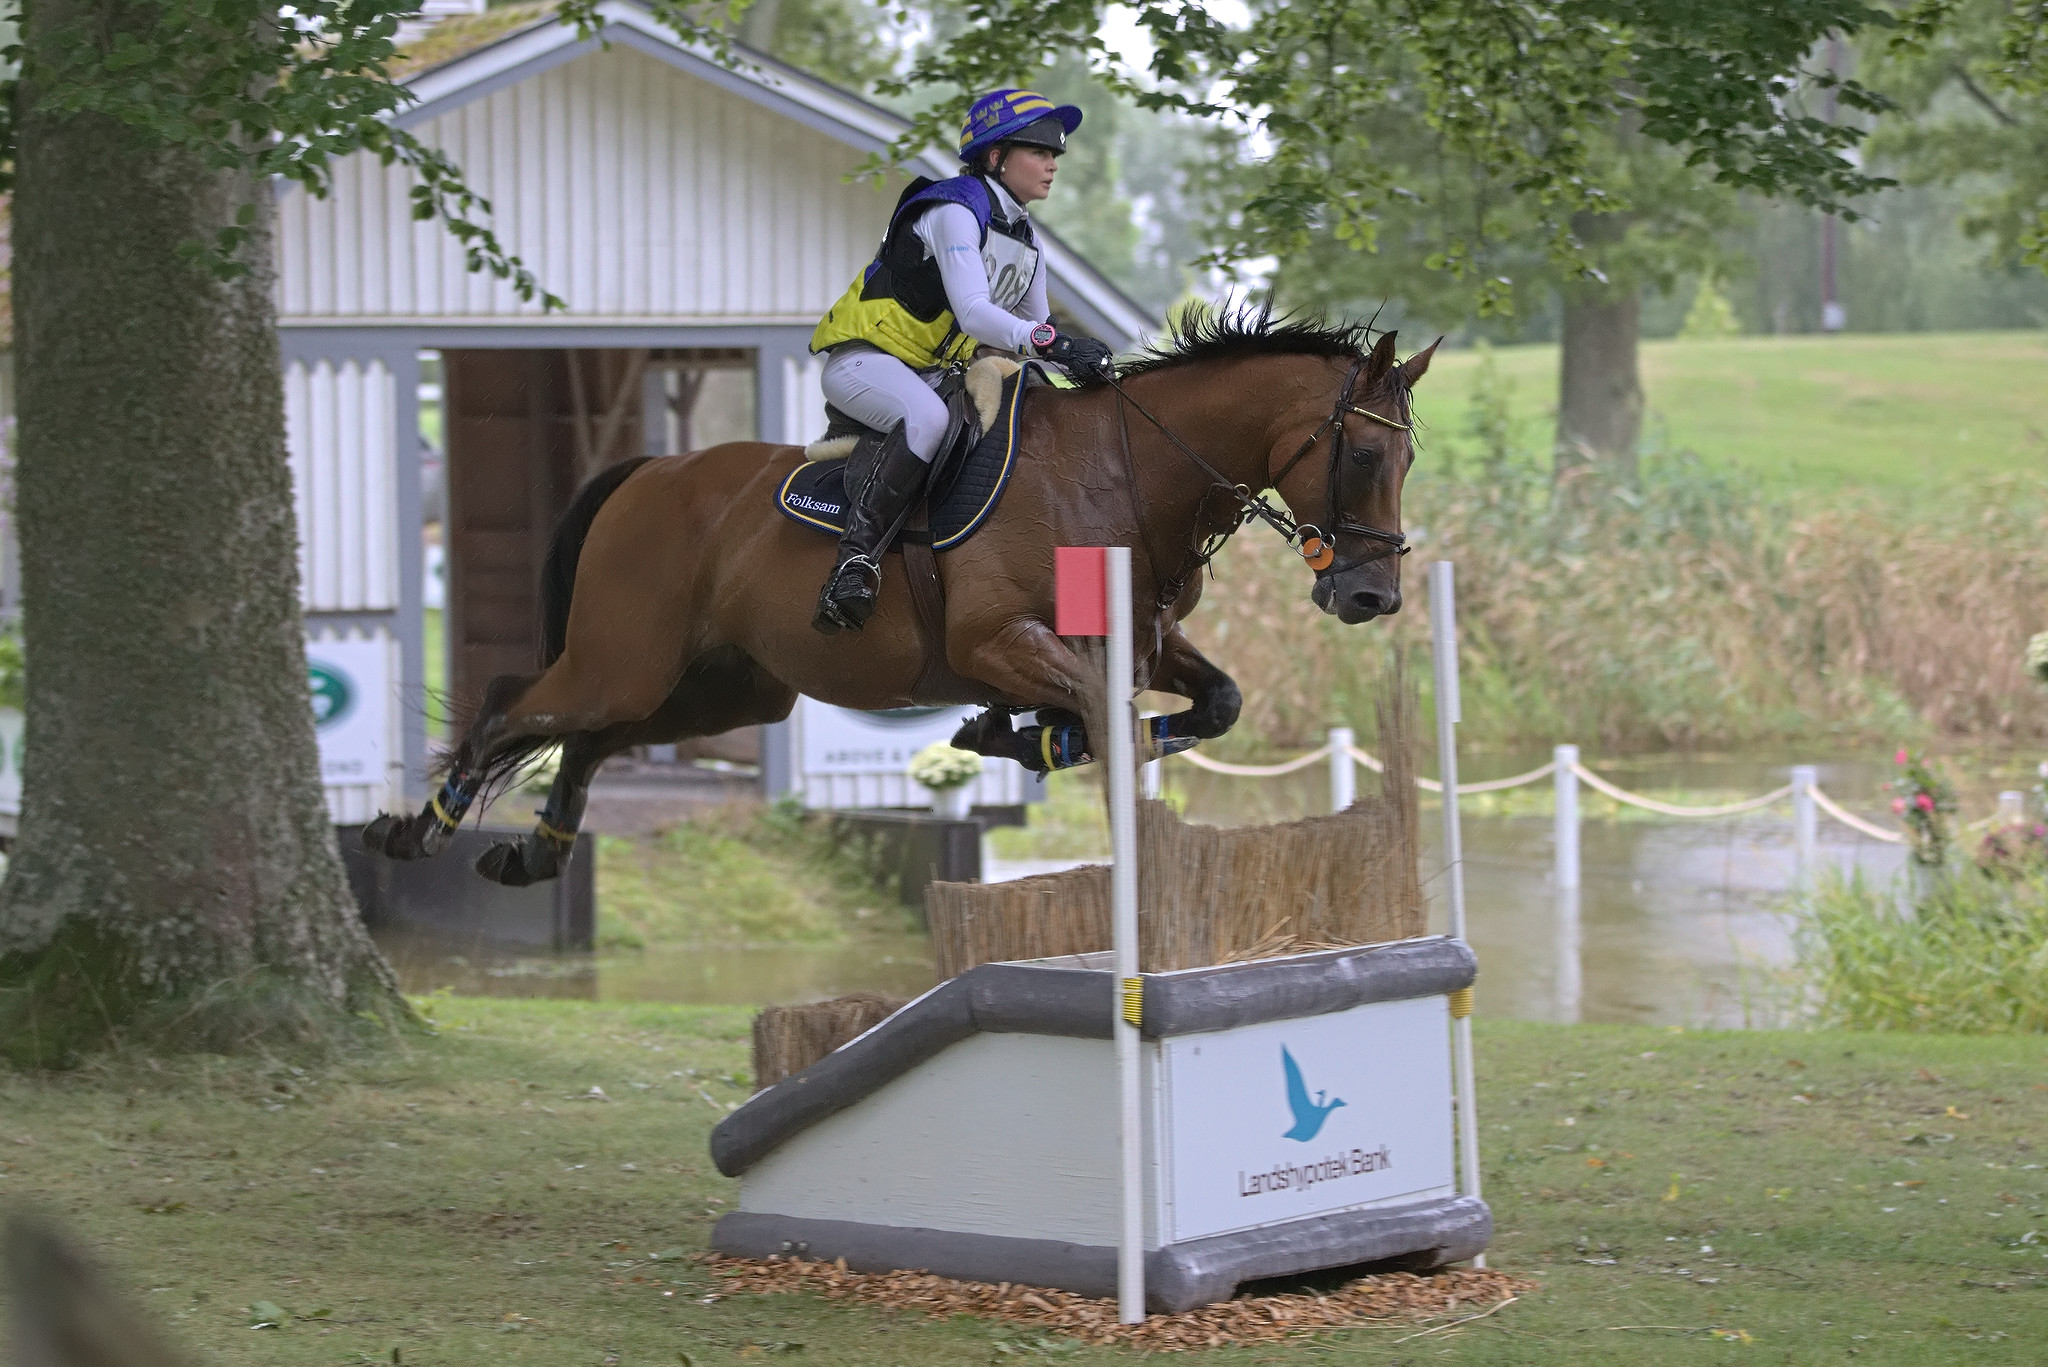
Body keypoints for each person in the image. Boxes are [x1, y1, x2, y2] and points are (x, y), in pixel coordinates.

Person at [807, 88, 1119, 634]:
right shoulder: (955, 209)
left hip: (928, 374)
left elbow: (1032, 334)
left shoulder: (1025, 241)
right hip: (863, 362)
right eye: (1039, 150)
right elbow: (978, 316)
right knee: (927, 418)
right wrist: (1051, 343)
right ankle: (854, 565)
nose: (1052, 163)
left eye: (1056, 153)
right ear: (996, 156)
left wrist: (1081, 368)